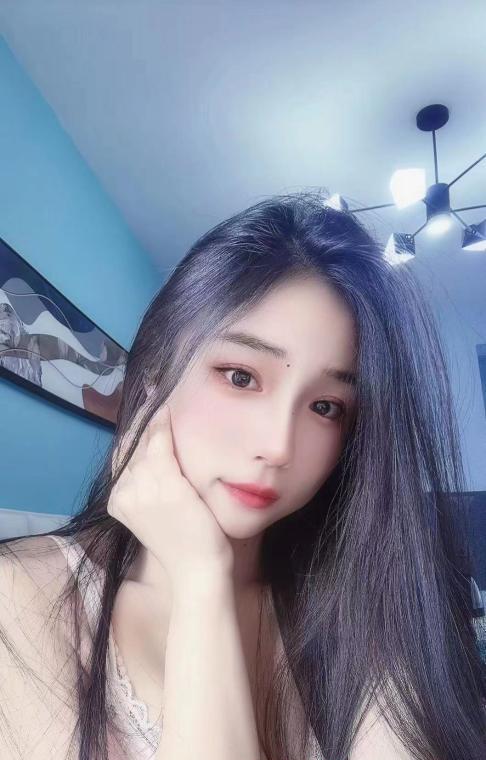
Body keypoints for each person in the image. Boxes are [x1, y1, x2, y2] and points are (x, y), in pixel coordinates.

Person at [0, 190, 485, 760]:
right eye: (240, 377)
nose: (278, 446)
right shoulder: (23, 595)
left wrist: (201, 578)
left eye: (326, 407)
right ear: (153, 380)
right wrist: (201, 576)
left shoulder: (364, 606)